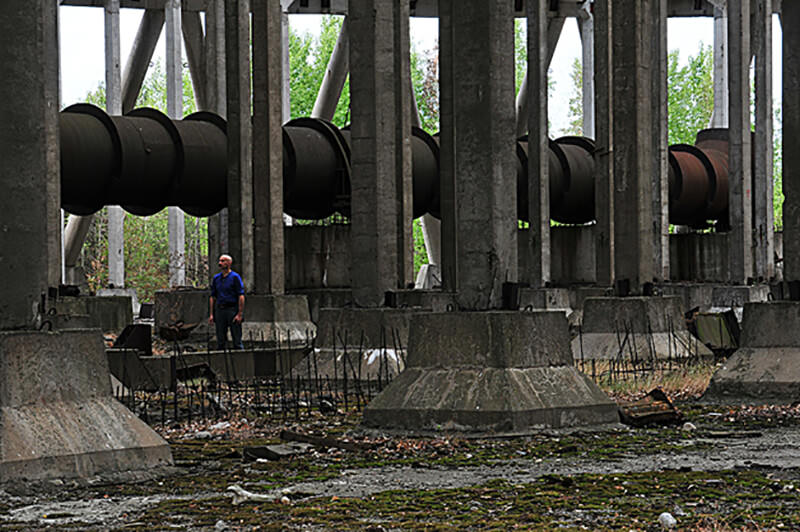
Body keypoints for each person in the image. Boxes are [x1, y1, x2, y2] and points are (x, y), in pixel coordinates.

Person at [208, 254, 245, 350]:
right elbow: (213, 296)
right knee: (220, 338)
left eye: (223, 261)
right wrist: (212, 314)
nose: (220, 263)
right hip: (220, 309)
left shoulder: (235, 277)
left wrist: (240, 314)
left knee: (236, 338)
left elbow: (240, 295)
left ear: (229, 263)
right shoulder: (216, 278)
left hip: (232, 308)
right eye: (220, 261)